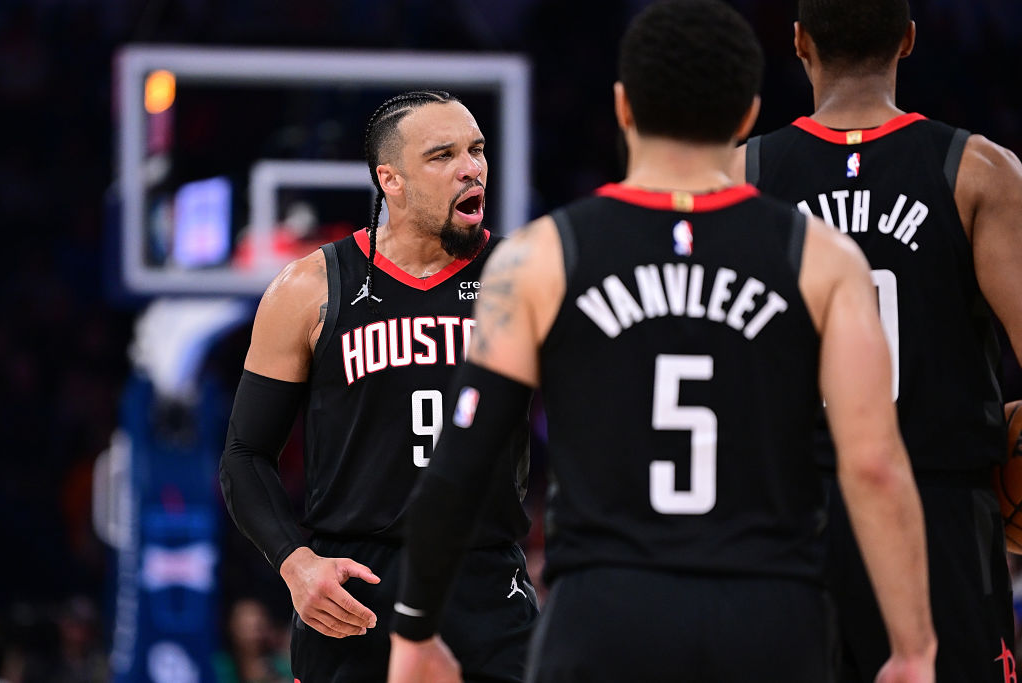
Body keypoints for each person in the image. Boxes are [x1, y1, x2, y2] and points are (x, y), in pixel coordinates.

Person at [387, 1, 936, 682]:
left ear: (623, 107)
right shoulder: (823, 258)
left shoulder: (539, 257)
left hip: (605, 614)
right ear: (746, 116)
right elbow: (875, 466)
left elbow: (460, 464)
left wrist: (413, 628)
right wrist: (913, 649)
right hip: (769, 614)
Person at [737, 1, 1022, 680]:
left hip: (789, 525)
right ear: (909, 40)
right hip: (938, 521)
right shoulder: (979, 172)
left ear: (798, 41)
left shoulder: (738, 177)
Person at [219, 90, 538, 683]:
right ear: (389, 180)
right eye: (442, 155)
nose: (471, 167)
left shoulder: (524, 277)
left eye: (477, 150)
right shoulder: (309, 288)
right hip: (354, 594)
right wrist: (295, 564)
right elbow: (244, 455)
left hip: (487, 587)